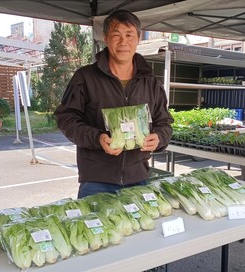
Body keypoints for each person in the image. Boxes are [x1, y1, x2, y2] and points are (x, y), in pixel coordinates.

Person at [54, 10, 173, 198]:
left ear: (138, 38)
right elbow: (66, 119)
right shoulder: (85, 77)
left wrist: (158, 138)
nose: (123, 42)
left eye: (129, 35)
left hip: (138, 178)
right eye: (116, 35)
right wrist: (98, 138)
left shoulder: (150, 81)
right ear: (106, 38)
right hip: (96, 181)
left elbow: (164, 123)